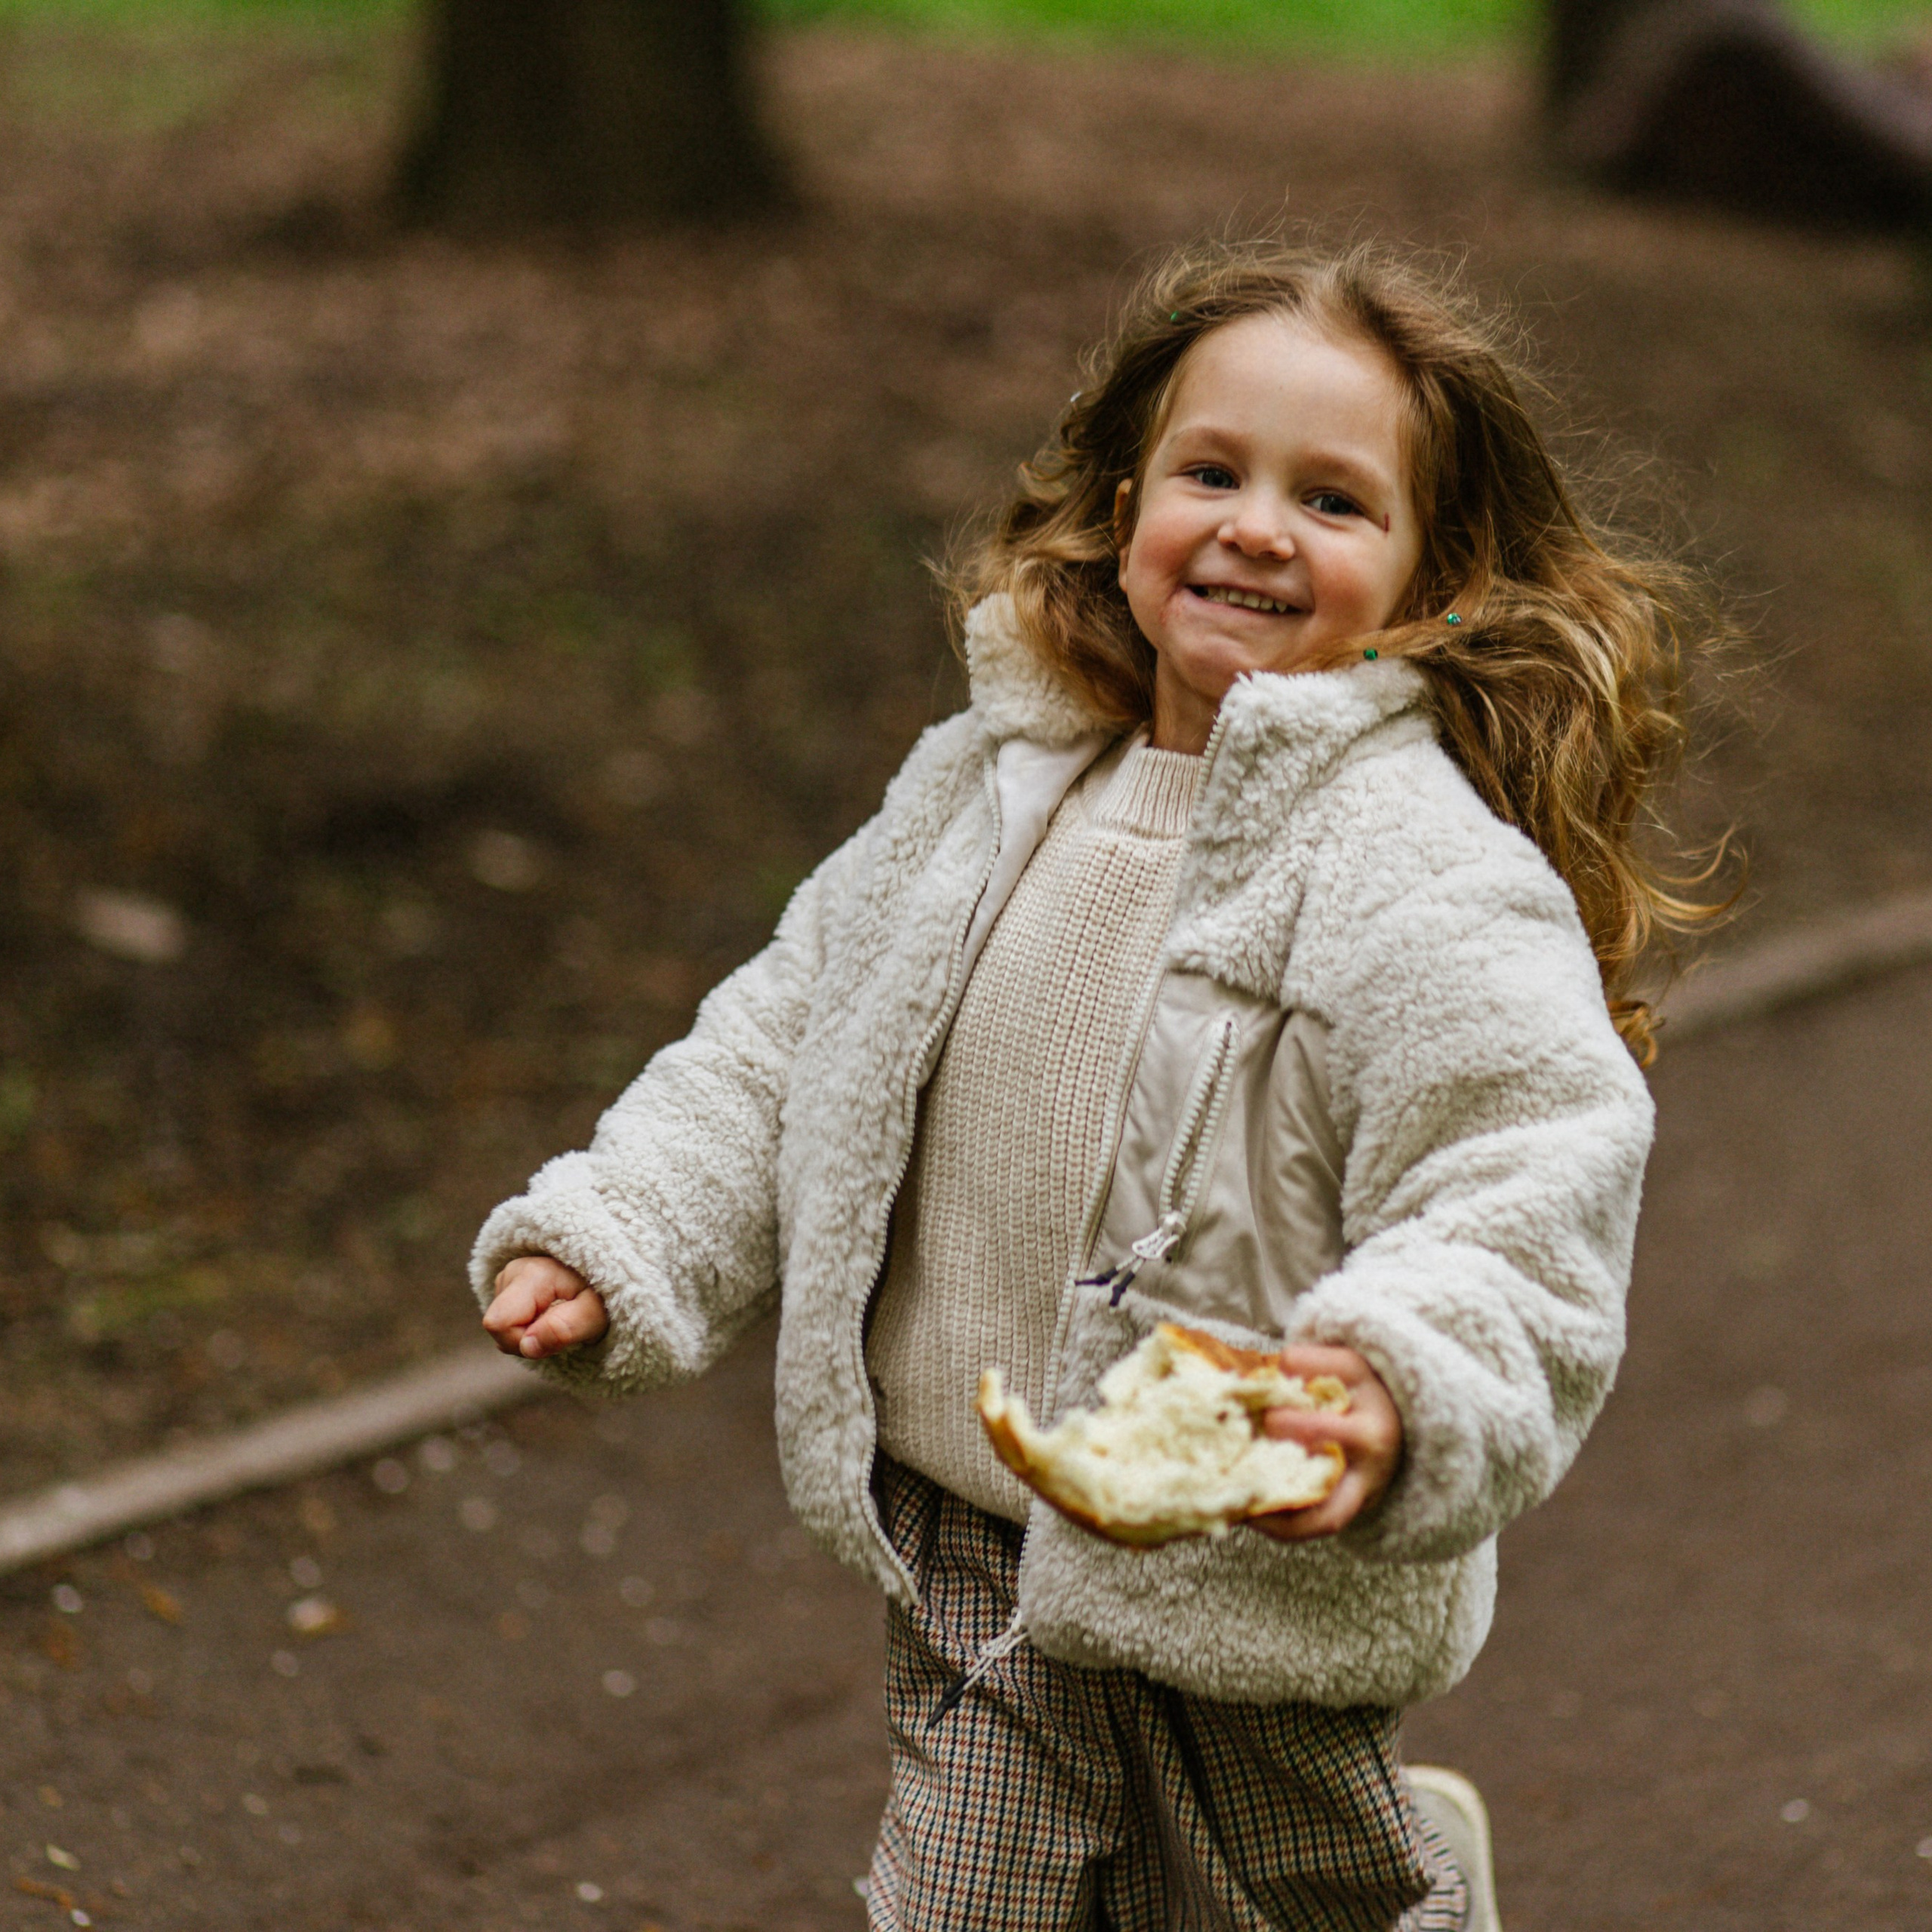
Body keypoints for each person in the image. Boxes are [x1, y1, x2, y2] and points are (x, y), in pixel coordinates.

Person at [474, 238, 1724, 1930]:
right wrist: (624, 1226)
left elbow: (1522, 1162)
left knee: (1288, 1905)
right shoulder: (989, 788)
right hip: (969, 1531)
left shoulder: (1417, 871)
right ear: (1126, 508)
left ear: (1431, 580)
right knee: (965, 1904)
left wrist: (1397, 1378)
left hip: (1243, 1563)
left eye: (1331, 500)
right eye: (1212, 472)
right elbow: (788, 1036)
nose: (1256, 527)